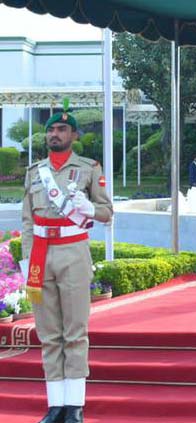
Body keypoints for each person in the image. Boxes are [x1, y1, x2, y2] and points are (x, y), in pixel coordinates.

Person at [21, 107, 113, 423]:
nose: (55, 134)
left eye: (62, 129)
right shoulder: (35, 172)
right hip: (41, 257)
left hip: (73, 253)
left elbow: (106, 212)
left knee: (75, 331)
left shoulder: (88, 169)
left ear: (73, 135)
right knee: (48, 333)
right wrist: (26, 260)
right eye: (51, 129)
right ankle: (55, 405)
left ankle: (74, 405)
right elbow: (27, 220)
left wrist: (89, 208)